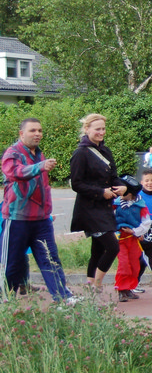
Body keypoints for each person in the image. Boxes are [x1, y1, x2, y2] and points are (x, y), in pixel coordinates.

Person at [0, 118, 78, 304]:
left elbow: (43, 185)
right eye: (32, 130)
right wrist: (39, 167)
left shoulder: (39, 154)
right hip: (17, 218)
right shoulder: (13, 153)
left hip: (41, 219)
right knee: (12, 263)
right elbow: (15, 173)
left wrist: (47, 211)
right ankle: (6, 300)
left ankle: (63, 299)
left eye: (40, 130)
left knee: (50, 259)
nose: (37, 134)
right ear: (21, 134)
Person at [70, 113, 127, 293]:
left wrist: (122, 187)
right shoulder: (80, 153)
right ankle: (98, 284)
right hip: (89, 209)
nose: (101, 132)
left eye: (103, 129)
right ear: (87, 129)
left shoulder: (106, 151)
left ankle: (90, 285)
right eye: (97, 129)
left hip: (105, 207)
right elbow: (76, 184)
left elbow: (113, 177)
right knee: (112, 247)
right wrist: (101, 192)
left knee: (98, 249)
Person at [112, 175, 151, 302]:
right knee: (123, 264)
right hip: (119, 239)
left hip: (132, 238)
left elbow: (146, 222)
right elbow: (108, 217)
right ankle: (121, 289)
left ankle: (129, 288)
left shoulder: (140, 205)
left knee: (135, 265)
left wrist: (135, 231)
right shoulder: (116, 204)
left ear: (130, 194)